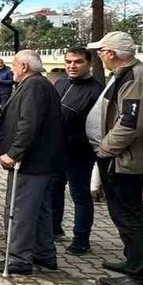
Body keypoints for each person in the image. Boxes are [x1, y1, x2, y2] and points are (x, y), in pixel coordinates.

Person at [88, 31, 143, 285]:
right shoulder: (131, 74)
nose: (100, 56)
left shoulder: (136, 78)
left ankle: (139, 275)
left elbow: (129, 123)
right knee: (123, 213)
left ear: (111, 54)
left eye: (101, 52)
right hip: (121, 156)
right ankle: (132, 261)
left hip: (124, 158)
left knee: (128, 215)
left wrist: (105, 149)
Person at [0, 51, 65, 275]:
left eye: (14, 65)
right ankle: (44, 254)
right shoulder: (37, 84)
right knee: (40, 210)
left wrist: (14, 154)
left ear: (23, 66)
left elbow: (28, 123)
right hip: (41, 160)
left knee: (20, 210)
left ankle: (19, 257)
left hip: (31, 161)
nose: (12, 69)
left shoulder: (34, 86)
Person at [51, 47, 103, 254]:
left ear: (89, 64)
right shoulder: (61, 83)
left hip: (80, 151)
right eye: (68, 62)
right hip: (56, 149)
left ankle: (81, 238)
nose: (72, 66)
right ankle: (53, 229)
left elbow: (97, 125)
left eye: (78, 62)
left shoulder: (96, 90)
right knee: (54, 188)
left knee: (79, 194)